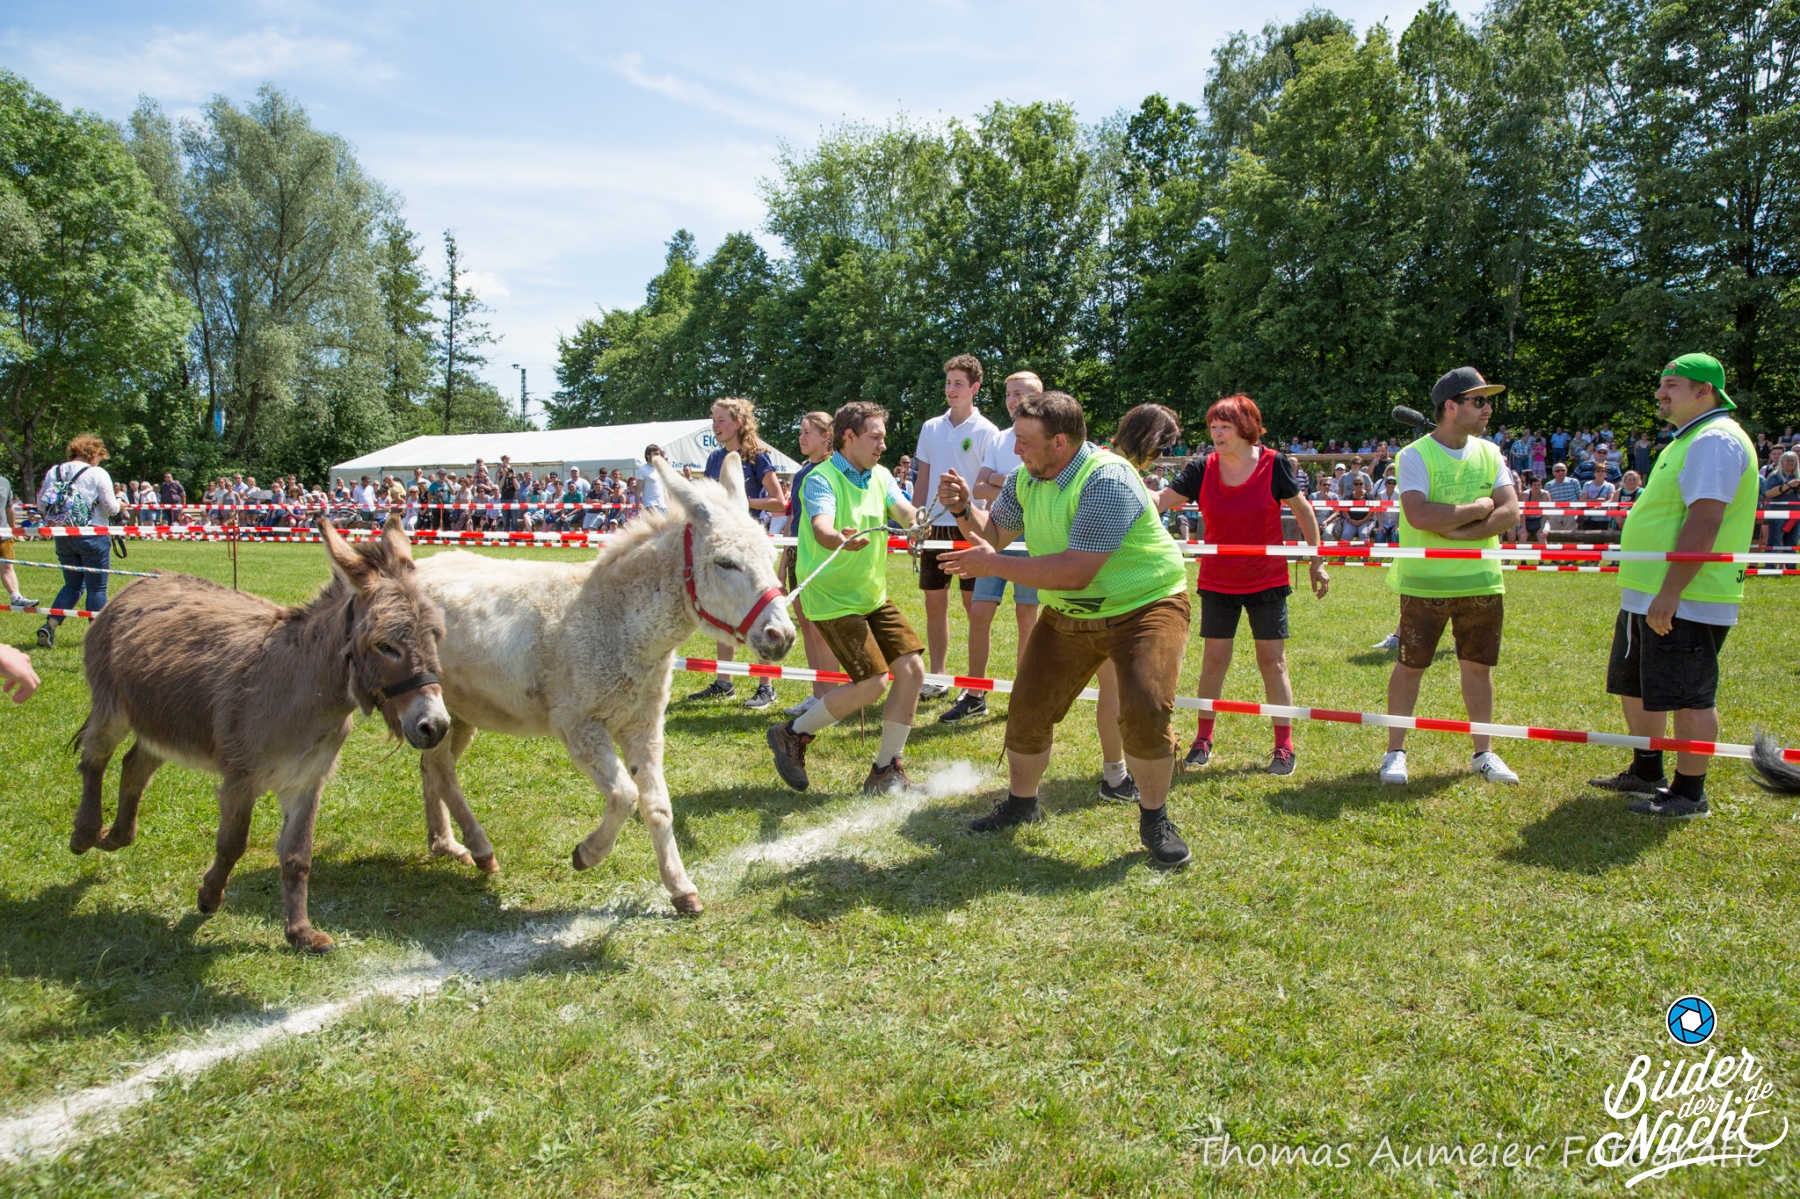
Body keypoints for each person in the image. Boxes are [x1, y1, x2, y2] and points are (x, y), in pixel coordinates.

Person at [936, 393, 1194, 868]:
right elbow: (992, 538)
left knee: (1145, 710)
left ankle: (1155, 818)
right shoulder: (1025, 478)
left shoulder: (1107, 478)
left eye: (1025, 441)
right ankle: (1021, 804)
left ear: (1059, 442)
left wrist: (994, 566)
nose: (1016, 450)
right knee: (1028, 709)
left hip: (1145, 606)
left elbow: (1076, 571)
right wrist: (963, 508)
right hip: (1069, 611)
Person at [1591, 355, 1759, 816]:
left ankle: (1689, 793)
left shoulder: (1715, 440)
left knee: (1688, 696)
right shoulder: (1689, 439)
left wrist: (1670, 592)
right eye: (1662, 384)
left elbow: (1705, 520)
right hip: (1650, 593)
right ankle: (1647, 771)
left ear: (1705, 391)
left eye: (1673, 385)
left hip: (1687, 596)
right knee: (1637, 686)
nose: (1660, 393)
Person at [1157, 394, 1330, 776]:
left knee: (1273, 661)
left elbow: (1304, 512)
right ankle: (1203, 739)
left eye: (1225, 427)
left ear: (1246, 429)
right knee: (1214, 660)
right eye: (1213, 427)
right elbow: (1160, 500)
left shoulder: (1274, 464)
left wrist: (1317, 561)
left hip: (1266, 579)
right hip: (1218, 580)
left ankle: (1284, 746)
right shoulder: (1201, 468)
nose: (1217, 434)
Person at [766, 401, 928, 795]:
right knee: (873, 683)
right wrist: (838, 538)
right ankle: (791, 734)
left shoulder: (882, 476)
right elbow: (821, 525)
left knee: (912, 671)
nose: (883, 445)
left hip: (872, 595)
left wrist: (917, 523)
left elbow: (904, 510)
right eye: (875, 437)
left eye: (883, 438)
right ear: (849, 437)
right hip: (831, 598)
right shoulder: (820, 479)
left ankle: (886, 769)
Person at [1379, 367, 1522, 786]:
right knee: (1410, 666)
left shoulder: (1490, 452)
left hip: (1482, 580)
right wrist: (1478, 508)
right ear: (1451, 407)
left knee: (1478, 668)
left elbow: (1511, 511)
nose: (1488, 408)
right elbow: (1420, 514)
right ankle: (1394, 753)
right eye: (1479, 401)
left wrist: (1459, 531)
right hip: (1426, 582)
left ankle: (1484, 753)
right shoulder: (1415, 455)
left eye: (1487, 401)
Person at [942, 370, 1043, 725]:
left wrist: (1001, 482)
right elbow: (980, 488)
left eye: (1020, 394)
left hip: (1032, 539)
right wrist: (1018, 481)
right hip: (994, 535)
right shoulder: (1000, 439)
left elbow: (1039, 483)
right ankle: (974, 694)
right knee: (979, 614)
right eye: (1009, 394)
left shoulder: (1044, 438)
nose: (1013, 400)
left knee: (1026, 617)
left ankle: (1024, 695)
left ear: (1038, 396)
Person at [690, 397, 789, 709]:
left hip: (751, 547)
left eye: (721, 420)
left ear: (738, 423)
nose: (715, 425)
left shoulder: (758, 457)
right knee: (725, 611)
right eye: (713, 420)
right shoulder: (714, 458)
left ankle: (766, 687)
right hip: (726, 548)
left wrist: (744, 502)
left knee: (763, 612)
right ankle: (724, 683)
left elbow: (779, 502)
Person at [912, 354, 1000, 701]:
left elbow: (988, 486)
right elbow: (922, 479)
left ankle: (975, 685)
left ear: (974, 388)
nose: (951, 389)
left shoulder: (988, 431)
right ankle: (937, 677)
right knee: (934, 606)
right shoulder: (931, 427)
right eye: (948, 382)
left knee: (974, 610)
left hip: (971, 528)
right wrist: (917, 519)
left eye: (958, 383)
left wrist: (987, 528)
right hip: (934, 527)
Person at [777, 413, 844, 719]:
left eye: (808, 432)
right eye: (801, 432)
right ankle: (818, 695)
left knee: (821, 630)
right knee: (806, 627)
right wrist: (783, 563)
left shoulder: (834, 471)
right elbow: (793, 519)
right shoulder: (802, 472)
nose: (802, 437)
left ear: (826, 436)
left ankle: (831, 700)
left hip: (819, 558)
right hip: (798, 556)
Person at [34, 434, 122, 648]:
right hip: (92, 535)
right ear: (93, 454)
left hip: (63, 534)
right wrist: (120, 502)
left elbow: (41, 504)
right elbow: (110, 508)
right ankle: (98, 639)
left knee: (72, 585)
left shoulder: (54, 471)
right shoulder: (97, 473)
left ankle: (50, 626)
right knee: (97, 588)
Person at [1, 471, 37, 610]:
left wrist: (13, 530)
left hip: (3, 533)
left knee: (7, 567)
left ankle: (16, 598)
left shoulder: (4, 482)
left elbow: (9, 508)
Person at [1763, 452, 1800, 551]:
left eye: (1793, 461)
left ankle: (1790, 562)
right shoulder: (1774, 476)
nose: (1790, 463)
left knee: (1792, 544)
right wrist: (1788, 485)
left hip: (1795, 516)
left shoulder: (1798, 476)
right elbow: (1769, 493)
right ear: (1782, 462)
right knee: (1774, 543)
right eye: (1788, 461)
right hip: (1777, 515)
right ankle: (1769, 561)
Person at [633, 444, 668, 515]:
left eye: (659, 454)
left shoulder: (661, 469)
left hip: (663, 505)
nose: (658, 456)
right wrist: (637, 509)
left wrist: (668, 504)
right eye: (655, 454)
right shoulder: (643, 470)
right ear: (648, 455)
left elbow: (664, 490)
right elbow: (638, 491)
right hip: (650, 505)